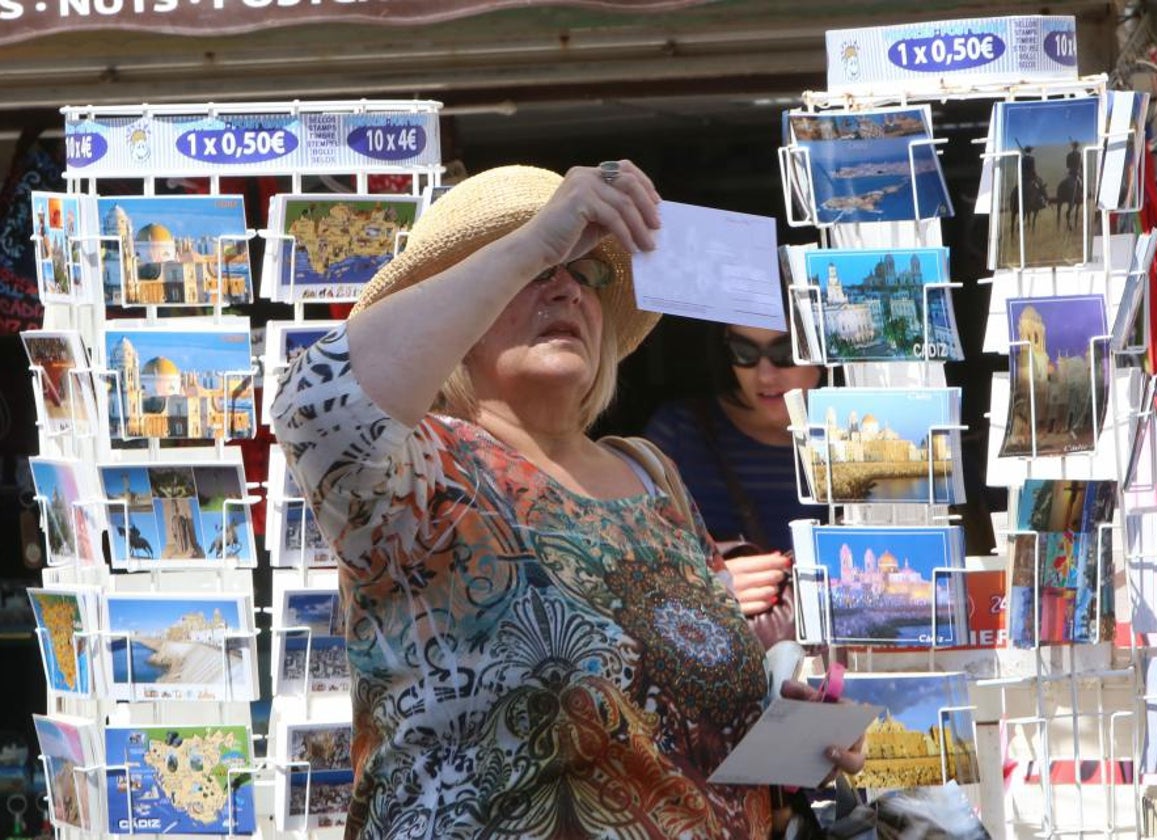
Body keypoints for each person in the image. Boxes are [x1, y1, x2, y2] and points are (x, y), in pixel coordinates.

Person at [271, 161, 862, 839]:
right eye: (536, 275)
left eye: (589, 275)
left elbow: (656, 716)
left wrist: (772, 721)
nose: (567, 288)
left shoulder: (649, 473)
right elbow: (317, 401)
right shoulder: (420, 467)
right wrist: (538, 240)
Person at [644, 324, 827, 642]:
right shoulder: (679, 433)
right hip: (729, 658)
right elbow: (629, 569)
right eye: (744, 352)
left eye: (786, 353)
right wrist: (698, 587)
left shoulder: (870, 433)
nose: (765, 375)